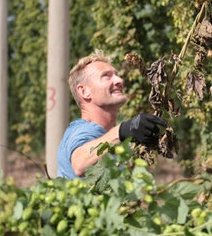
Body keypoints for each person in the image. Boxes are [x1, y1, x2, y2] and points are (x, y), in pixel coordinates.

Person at [57, 50, 166, 179]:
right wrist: (122, 131)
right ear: (84, 91)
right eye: (106, 76)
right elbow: (79, 163)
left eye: (116, 75)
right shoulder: (83, 130)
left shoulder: (109, 138)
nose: (119, 80)